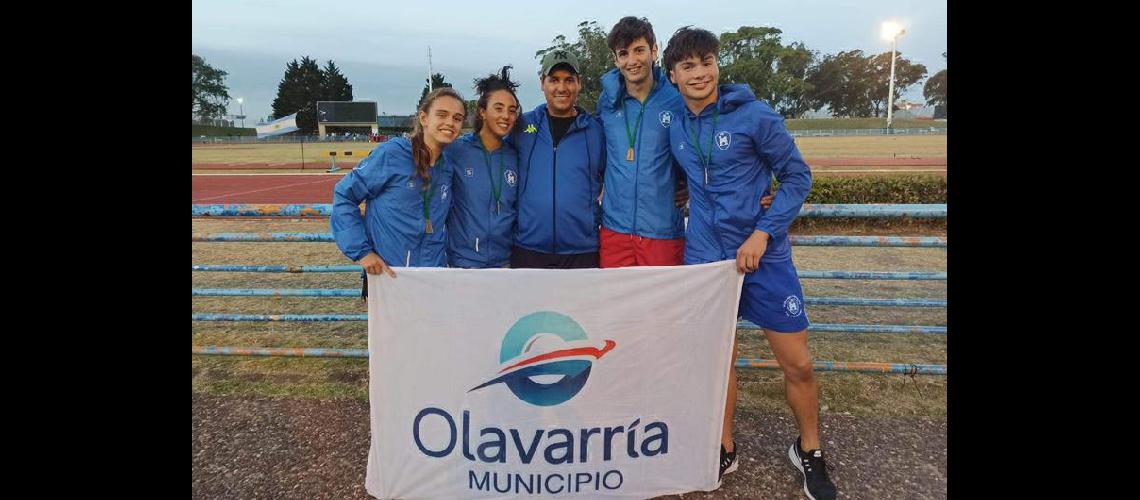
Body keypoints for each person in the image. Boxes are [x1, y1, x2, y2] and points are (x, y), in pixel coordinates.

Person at [663, 26, 837, 499]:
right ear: (673, 75)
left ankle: (809, 450)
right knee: (720, 363)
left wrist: (763, 230)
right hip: (707, 260)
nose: (699, 73)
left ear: (717, 65)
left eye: (706, 62)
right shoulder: (675, 122)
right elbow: (690, 180)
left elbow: (797, 176)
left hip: (764, 258)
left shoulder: (755, 115)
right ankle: (724, 446)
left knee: (797, 363)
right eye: (687, 66)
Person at [330, 87, 466, 281]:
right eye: (442, 115)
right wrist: (362, 252)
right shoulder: (393, 154)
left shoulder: (448, 167)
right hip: (388, 275)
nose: (450, 123)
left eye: (457, 118)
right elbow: (345, 195)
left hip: (433, 276)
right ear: (424, 118)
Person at [596, 16, 688, 268]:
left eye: (639, 50)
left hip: (662, 233)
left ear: (654, 50)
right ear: (616, 59)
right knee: (615, 306)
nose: (632, 61)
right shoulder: (606, 103)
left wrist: (691, 185)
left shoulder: (677, 102)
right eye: (623, 54)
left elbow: (698, 151)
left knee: (664, 307)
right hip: (615, 232)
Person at [508, 49, 606, 269]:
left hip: (582, 250)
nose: (561, 88)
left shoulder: (596, 131)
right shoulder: (521, 127)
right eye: (554, 80)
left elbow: (619, 173)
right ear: (542, 83)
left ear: (579, 83)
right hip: (528, 249)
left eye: (569, 80)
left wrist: (679, 183)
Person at [446, 66, 523, 268]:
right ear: (482, 111)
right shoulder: (456, 151)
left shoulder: (515, 156)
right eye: (498, 108)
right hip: (463, 264)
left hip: (504, 264)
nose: (506, 116)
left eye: (512, 110)